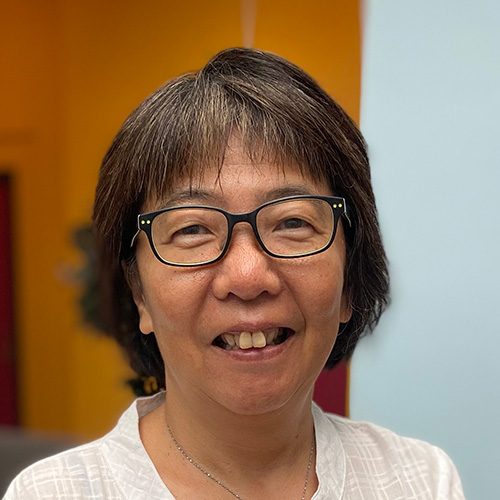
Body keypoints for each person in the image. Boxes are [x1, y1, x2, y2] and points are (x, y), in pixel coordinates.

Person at [4, 48, 464, 499]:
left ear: (349, 279)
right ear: (139, 293)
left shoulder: (419, 481)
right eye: (192, 229)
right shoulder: (54, 494)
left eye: (293, 222)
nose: (247, 276)